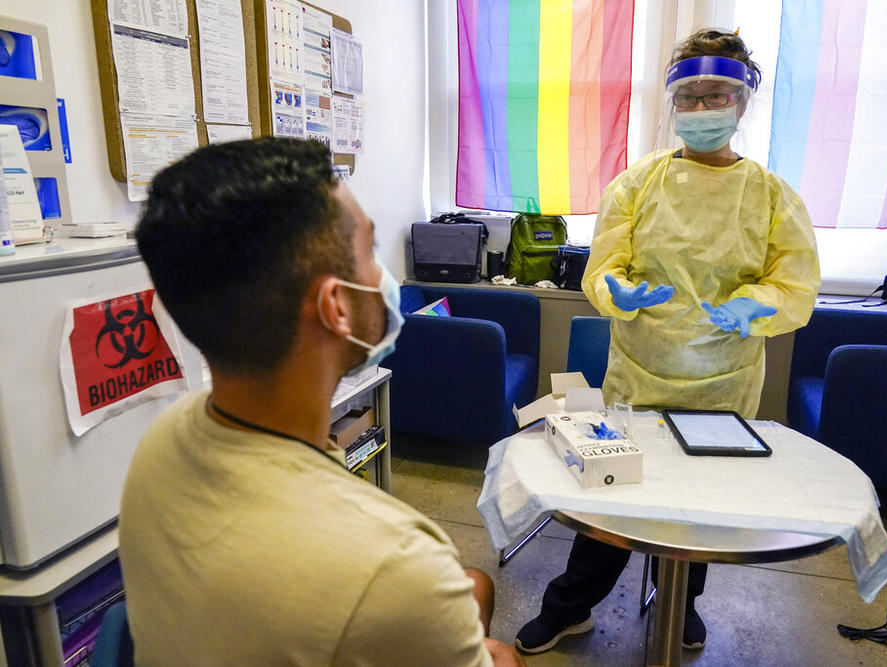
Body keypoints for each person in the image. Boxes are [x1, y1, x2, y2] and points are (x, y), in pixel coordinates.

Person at [120, 138, 524, 666]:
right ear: (335, 307)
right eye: (370, 253)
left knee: (474, 586)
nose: (383, 279)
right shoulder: (395, 562)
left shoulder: (162, 441)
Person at [515, 29, 821, 654]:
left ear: (743, 102)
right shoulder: (636, 185)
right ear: (673, 102)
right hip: (639, 372)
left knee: (697, 504)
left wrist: (752, 306)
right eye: (692, 96)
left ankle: (680, 601)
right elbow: (603, 269)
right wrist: (616, 292)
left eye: (719, 96)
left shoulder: (770, 196)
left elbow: (794, 286)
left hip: (724, 379)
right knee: (612, 496)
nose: (704, 109)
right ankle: (569, 605)